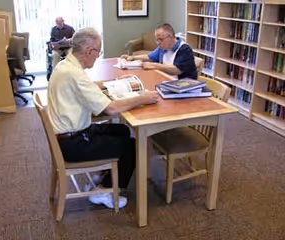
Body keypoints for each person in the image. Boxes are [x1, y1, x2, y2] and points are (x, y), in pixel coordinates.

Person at [47, 27, 159, 209]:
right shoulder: (75, 74)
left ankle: (105, 175)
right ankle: (106, 191)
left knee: (122, 130)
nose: (98, 56)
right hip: (74, 143)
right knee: (132, 147)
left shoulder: (66, 65)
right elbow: (111, 109)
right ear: (89, 51)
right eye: (98, 52)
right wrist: (143, 98)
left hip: (69, 134)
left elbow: (86, 86)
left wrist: (113, 83)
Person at [121, 23, 197, 80]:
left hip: (184, 86)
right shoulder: (163, 47)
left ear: (170, 37)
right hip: (167, 81)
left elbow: (177, 70)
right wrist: (132, 57)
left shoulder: (184, 49)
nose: (158, 42)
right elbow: (149, 56)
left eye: (160, 39)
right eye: (156, 39)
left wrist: (154, 65)